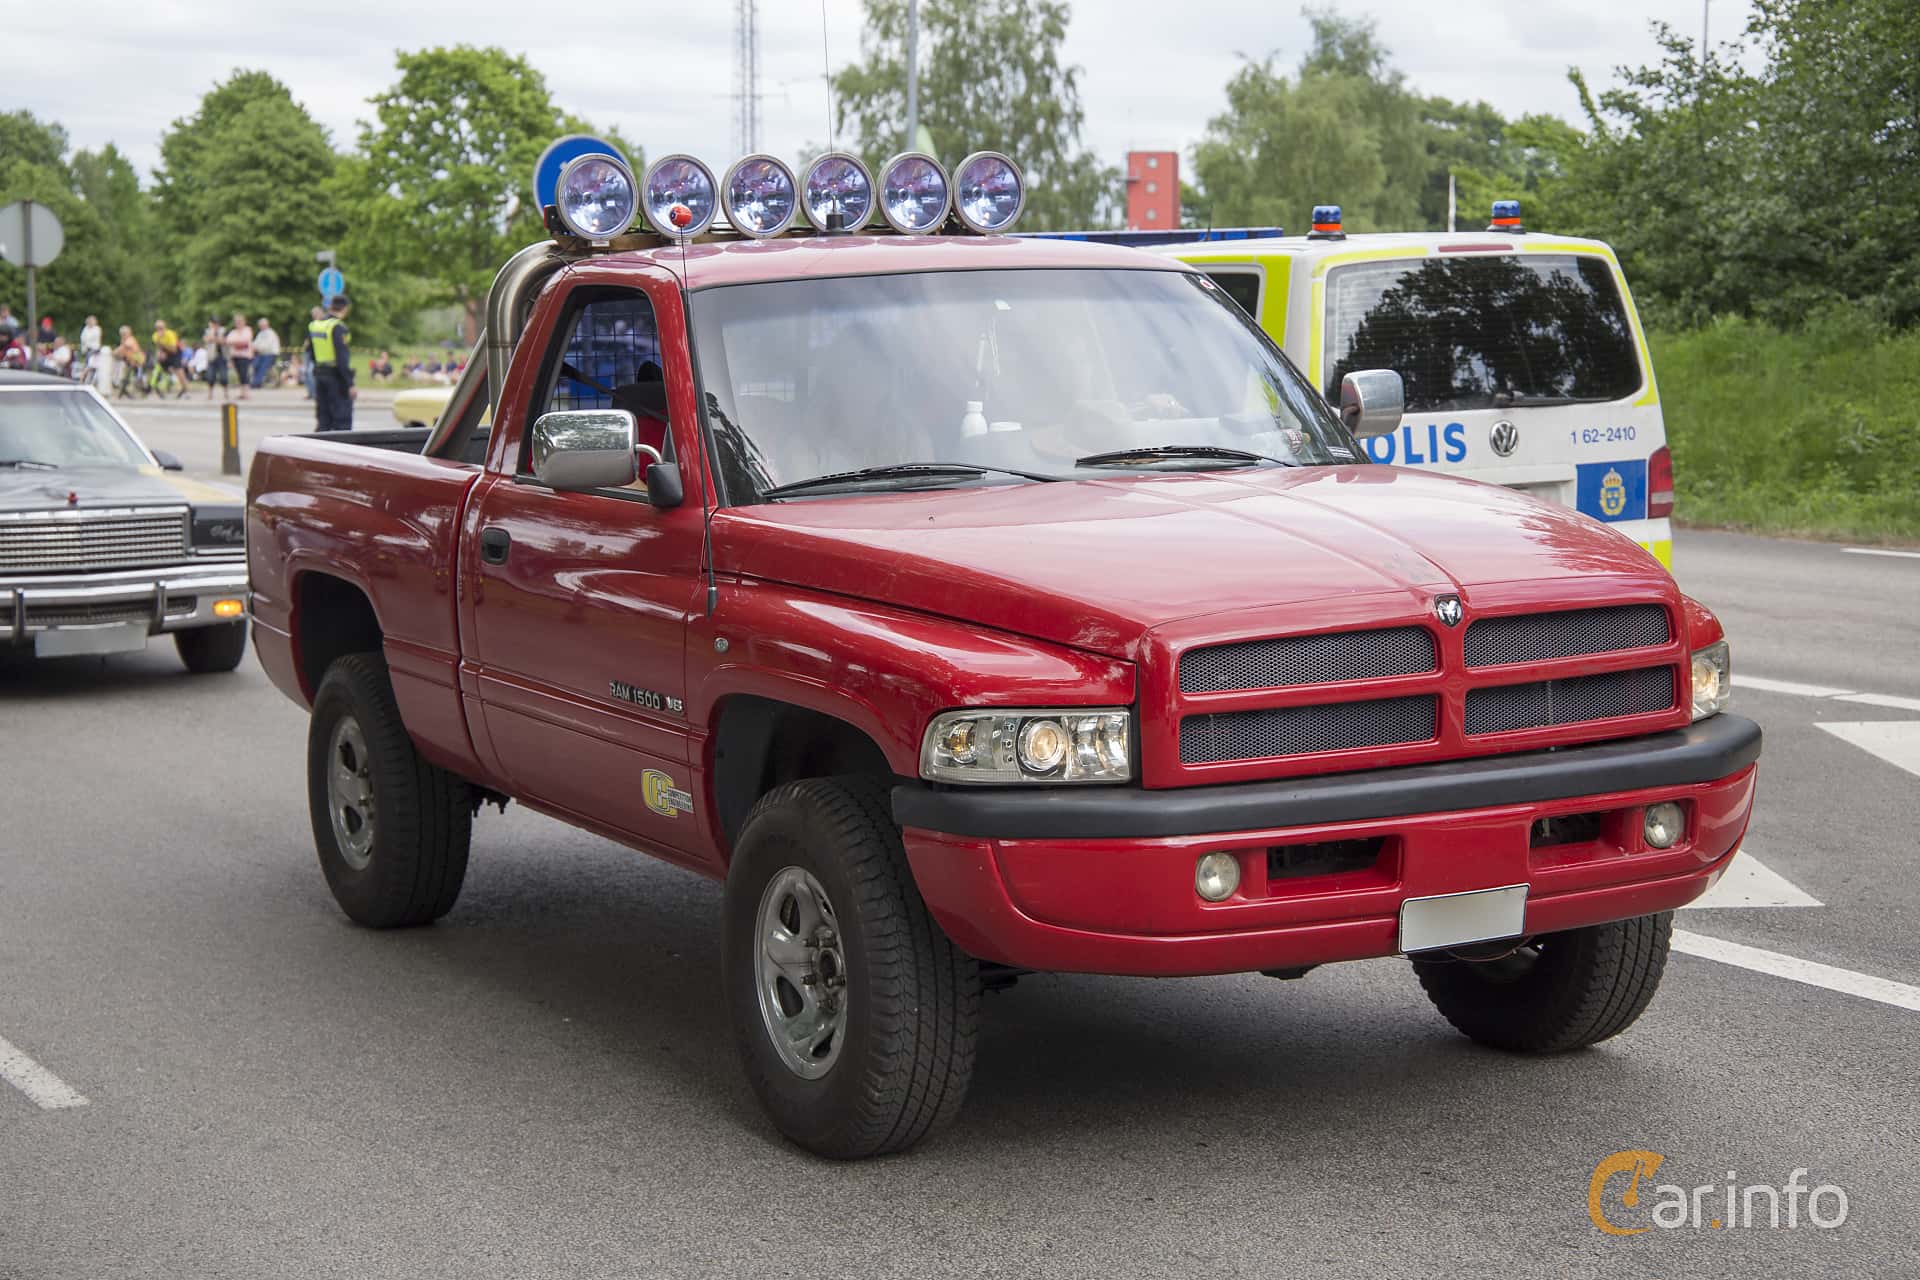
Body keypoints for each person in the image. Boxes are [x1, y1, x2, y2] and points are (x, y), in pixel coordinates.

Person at [308, 295, 355, 431]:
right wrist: (350, 383)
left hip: (320, 375)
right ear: (345, 309)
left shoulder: (316, 325)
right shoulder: (338, 327)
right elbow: (342, 358)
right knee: (342, 421)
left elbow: (310, 352)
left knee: (324, 419)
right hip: (336, 378)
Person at [151, 320, 187, 398]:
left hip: (176, 351)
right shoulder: (155, 336)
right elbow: (158, 347)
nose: (159, 330)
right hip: (166, 351)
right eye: (157, 328)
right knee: (160, 364)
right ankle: (165, 382)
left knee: (178, 368)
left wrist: (162, 344)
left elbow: (173, 350)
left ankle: (185, 388)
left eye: (161, 328)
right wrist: (160, 354)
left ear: (165, 328)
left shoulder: (169, 334)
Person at [226, 312, 253, 399]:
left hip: (244, 356)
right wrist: (238, 342)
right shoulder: (233, 332)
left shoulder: (247, 330)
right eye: (237, 321)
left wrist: (235, 343)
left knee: (244, 374)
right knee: (239, 374)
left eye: (240, 321)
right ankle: (242, 393)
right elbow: (228, 341)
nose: (238, 323)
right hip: (235, 356)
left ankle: (246, 393)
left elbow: (245, 341)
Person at [202, 317, 229, 401]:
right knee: (210, 376)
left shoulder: (224, 330)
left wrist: (214, 339)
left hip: (222, 356)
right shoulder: (207, 331)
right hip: (211, 356)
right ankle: (210, 394)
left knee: (223, 376)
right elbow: (206, 339)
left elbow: (225, 341)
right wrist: (215, 338)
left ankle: (226, 394)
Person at [113, 326, 144, 397]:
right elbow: (123, 350)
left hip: (137, 361)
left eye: (124, 333)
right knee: (128, 377)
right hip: (130, 361)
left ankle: (142, 391)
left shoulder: (130, 339)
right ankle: (124, 392)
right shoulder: (124, 340)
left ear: (129, 333)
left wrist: (115, 351)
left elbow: (124, 347)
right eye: (122, 334)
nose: (123, 335)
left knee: (137, 378)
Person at [300, 306, 323, 399]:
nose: (315, 316)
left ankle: (316, 394)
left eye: (316, 314)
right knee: (305, 373)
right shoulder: (312, 325)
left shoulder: (323, 325)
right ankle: (310, 393)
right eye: (313, 315)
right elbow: (308, 339)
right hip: (308, 352)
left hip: (317, 353)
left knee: (310, 373)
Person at [250, 317, 279, 388]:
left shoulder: (270, 333)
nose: (261, 327)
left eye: (262, 325)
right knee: (255, 365)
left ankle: (256, 382)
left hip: (271, 354)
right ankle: (256, 381)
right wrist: (253, 347)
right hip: (261, 354)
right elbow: (255, 343)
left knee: (263, 367)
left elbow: (267, 345)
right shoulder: (260, 333)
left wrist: (256, 348)